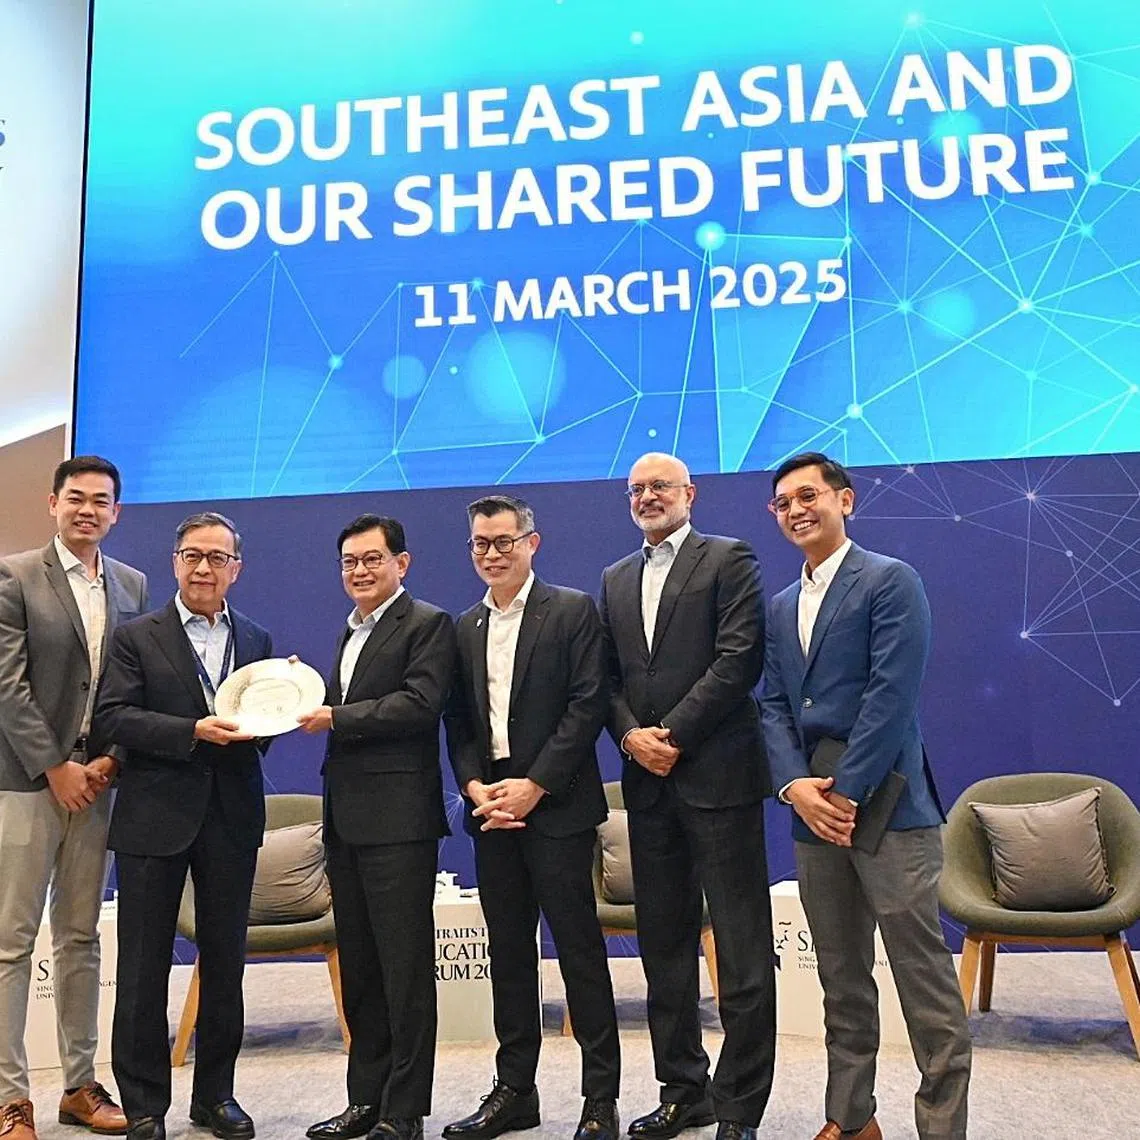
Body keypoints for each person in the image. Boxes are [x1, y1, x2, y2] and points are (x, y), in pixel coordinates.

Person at [760, 452, 971, 1140]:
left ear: (844, 500)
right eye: (784, 501)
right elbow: (770, 705)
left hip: (888, 807)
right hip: (812, 810)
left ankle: (941, 1128)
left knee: (923, 981)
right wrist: (797, 789)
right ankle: (851, 1121)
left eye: (809, 495)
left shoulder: (889, 580)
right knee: (841, 978)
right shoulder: (781, 604)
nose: (796, 509)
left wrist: (844, 794)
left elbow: (892, 696)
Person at [598, 453, 775, 1140]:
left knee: (741, 948)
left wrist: (671, 733)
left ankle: (739, 1106)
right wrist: (630, 737)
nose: (647, 497)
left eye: (659, 487)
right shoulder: (615, 577)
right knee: (662, 947)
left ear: (689, 494)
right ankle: (683, 1091)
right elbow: (604, 677)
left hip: (717, 776)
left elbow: (740, 658)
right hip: (647, 784)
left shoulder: (729, 558)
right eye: (636, 489)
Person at [443, 495, 620, 1140]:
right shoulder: (464, 627)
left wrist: (536, 785)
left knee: (579, 953)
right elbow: (458, 721)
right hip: (491, 809)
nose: (492, 554)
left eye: (503, 541)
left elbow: (587, 707)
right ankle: (515, 1090)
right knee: (508, 956)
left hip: (558, 807)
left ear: (532, 543)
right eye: (480, 545)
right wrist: (473, 787)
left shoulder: (571, 611)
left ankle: (600, 1099)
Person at [92, 512, 273, 1140]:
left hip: (231, 816)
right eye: (193, 555)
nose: (204, 568)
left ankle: (215, 1097)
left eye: (218, 558)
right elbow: (114, 716)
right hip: (152, 818)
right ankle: (143, 1104)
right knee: (142, 968)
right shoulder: (136, 636)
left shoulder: (256, 639)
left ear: (236, 569)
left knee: (226, 962)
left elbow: (266, 723)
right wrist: (189, 733)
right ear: (175, 562)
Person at [0, 456, 146, 1140]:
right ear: (52, 502)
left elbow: (131, 685)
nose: (89, 510)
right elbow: (8, 687)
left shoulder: (132, 584)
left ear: (116, 512)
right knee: (12, 943)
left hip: (98, 786)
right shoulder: (15, 574)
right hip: (27, 782)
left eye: (102, 501)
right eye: (77, 498)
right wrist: (55, 764)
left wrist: (109, 759)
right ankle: (11, 1098)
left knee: (82, 938)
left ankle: (80, 1086)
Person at [302, 515, 456, 1140]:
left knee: (404, 970)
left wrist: (334, 714)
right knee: (362, 968)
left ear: (402, 562)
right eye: (348, 562)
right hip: (347, 821)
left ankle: (404, 1110)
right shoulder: (350, 630)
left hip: (399, 824)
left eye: (371, 559)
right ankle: (362, 1100)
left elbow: (419, 705)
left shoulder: (428, 624)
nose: (359, 571)